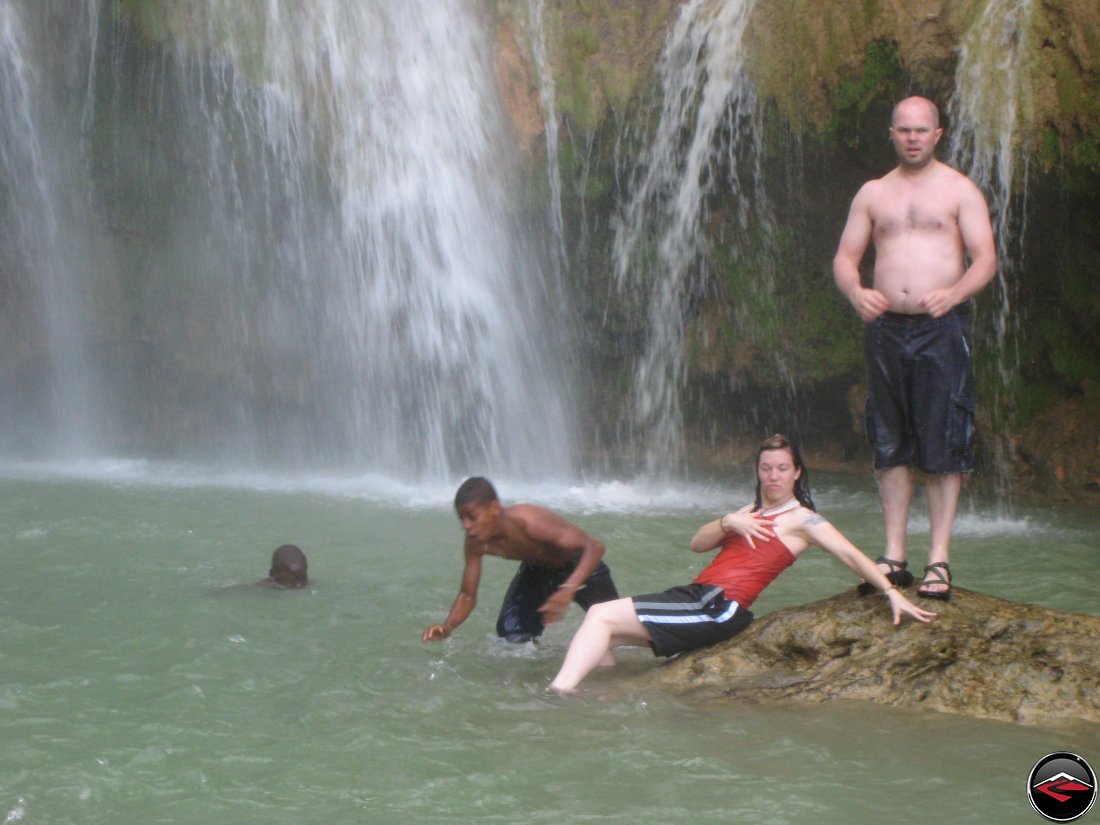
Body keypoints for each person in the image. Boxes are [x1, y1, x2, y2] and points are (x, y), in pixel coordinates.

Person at [548, 434, 937, 692]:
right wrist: (726, 521)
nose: (773, 476)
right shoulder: (748, 510)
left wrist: (890, 592)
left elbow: (849, 553)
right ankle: (602, 697)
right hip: (696, 596)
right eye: (766, 468)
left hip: (719, 607)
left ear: (797, 472)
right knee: (606, 633)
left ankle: (558, 695)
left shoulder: (802, 519)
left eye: (782, 468)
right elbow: (697, 544)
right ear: (758, 471)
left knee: (599, 613)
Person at [832, 95, 997, 600]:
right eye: (904, 130)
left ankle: (939, 561)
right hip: (886, 328)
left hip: (940, 328)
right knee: (890, 439)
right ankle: (894, 555)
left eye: (921, 130)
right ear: (892, 134)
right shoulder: (873, 193)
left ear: (938, 134)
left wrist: (956, 292)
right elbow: (845, 257)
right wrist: (856, 291)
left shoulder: (959, 190)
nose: (912, 137)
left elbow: (986, 257)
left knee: (945, 436)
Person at [422, 477, 619, 644]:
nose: (466, 526)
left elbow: (594, 547)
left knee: (618, 631)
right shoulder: (475, 543)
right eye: (461, 518)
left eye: (472, 517)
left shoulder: (530, 522)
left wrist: (567, 589)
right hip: (537, 571)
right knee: (511, 634)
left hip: (580, 566)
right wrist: (447, 627)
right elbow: (467, 596)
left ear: (494, 508)